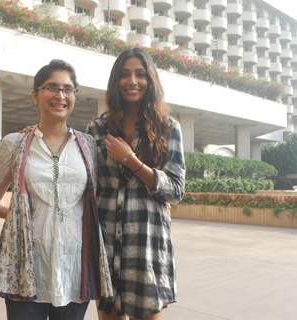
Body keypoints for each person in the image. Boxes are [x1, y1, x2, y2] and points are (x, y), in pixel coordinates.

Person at [0, 59, 113, 320]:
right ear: (35, 94)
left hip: (75, 269)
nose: (60, 95)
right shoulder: (15, 143)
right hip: (25, 269)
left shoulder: (89, 145)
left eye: (68, 89)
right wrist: (14, 215)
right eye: (52, 88)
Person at [87, 47, 186, 320]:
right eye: (125, 74)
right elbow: (87, 185)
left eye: (140, 74)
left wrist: (131, 160)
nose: (132, 81)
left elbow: (176, 189)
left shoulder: (169, 127)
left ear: (150, 80)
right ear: (115, 81)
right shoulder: (98, 128)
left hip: (146, 245)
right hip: (106, 242)